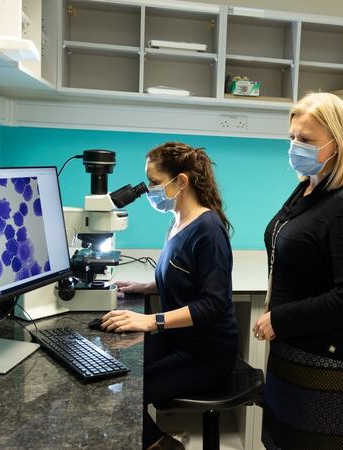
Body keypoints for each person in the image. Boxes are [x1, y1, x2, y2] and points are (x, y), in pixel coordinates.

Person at [252, 92, 343, 449]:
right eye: (292, 138)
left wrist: (281, 319)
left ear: (337, 144)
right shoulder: (308, 188)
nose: (295, 147)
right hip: (293, 349)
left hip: (328, 361)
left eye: (306, 140)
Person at [99, 142, 237, 450]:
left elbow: (213, 304)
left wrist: (151, 321)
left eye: (154, 183)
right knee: (109, 373)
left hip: (206, 354)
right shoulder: (178, 220)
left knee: (126, 393)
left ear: (182, 182)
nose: (148, 191)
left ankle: (163, 446)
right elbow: (183, 278)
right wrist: (145, 287)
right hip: (179, 339)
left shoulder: (209, 230)